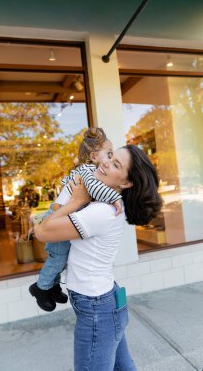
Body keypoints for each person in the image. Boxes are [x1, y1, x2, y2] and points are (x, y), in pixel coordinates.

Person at [34, 144, 162, 371]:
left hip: (97, 309)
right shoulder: (106, 202)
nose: (105, 162)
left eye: (116, 164)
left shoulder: (102, 212)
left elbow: (42, 232)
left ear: (126, 183)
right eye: (110, 156)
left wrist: (74, 202)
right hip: (105, 301)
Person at [29, 128, 122, 312]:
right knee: (58, 257)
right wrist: (114, 197)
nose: (111, 159)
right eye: (109, 154)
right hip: (56, 216)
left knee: (61, 258)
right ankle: (41, 287)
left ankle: (53, 286)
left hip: (62, 214)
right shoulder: (87, 171)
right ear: (94, 156)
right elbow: (94, 190)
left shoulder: (91, 171)